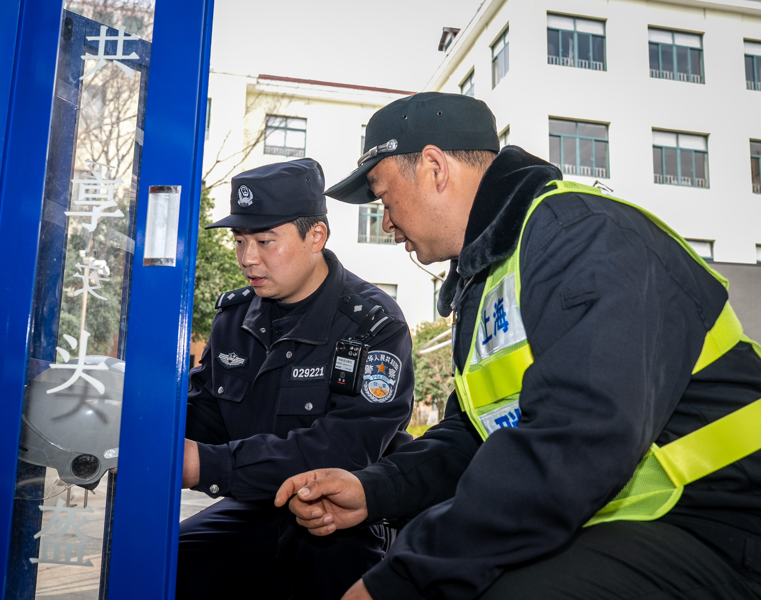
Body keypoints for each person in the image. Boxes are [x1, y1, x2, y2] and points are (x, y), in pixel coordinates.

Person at [275, 93, 761, 600]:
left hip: (724, 524)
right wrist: (374, 489)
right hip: (633, 521)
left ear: (435, 168)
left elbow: (575, 442)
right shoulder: (494, 273)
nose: (386, 222)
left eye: (383, 197)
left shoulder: (585, 238)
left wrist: (401, 582)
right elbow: (475, 436)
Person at [178, 158, 414, 600]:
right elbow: (207, 413)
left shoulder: (372, 325)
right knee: (170, 564)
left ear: (316, 236)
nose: (248, 258)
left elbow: (345, 448)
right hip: (255, 505)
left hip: (341, 515)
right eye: (239, 240)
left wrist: (207, 465)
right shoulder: (234, 318)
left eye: (265, 241)